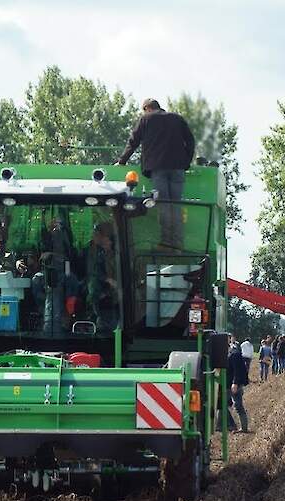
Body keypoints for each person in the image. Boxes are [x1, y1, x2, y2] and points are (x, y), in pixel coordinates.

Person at [116, 98, 196, 251]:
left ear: (147, 108)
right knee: (176, 206)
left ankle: (167, 243)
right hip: (178, 168)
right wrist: (186, 162)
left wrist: (122, 161)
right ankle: (178, 244)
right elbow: (190, 141)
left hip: (158, 168)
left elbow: (133, 141)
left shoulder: (145, 119)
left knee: (164, 205)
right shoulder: (177, 119)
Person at [86, 222, 120, 332]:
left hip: (115, 298)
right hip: (103, 296)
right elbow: (95, 273)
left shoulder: (117, 258)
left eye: (106, 239)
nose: (103, 241)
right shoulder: (97, 254)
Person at [227, 341, 250, 434]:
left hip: (233, 385)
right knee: (225, 405)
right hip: (228, 384)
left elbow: (237, 370)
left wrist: (235, 383)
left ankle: (241, 427)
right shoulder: (231, 353)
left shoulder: (234, 354)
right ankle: (230, 425)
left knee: (238, 406)